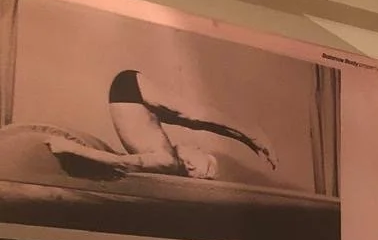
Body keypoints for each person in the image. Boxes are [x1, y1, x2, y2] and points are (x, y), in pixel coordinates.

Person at [43, 69, 278, 182]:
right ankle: (250, 136)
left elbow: (120, 162)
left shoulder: (167, 163)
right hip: (133, 95)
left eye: (198, 173)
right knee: (190, 120)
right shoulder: (169, 155)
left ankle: (251, 134)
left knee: (190, 117)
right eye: (204, 162)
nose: (194, 167)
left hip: (129, 92)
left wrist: (72, 148)